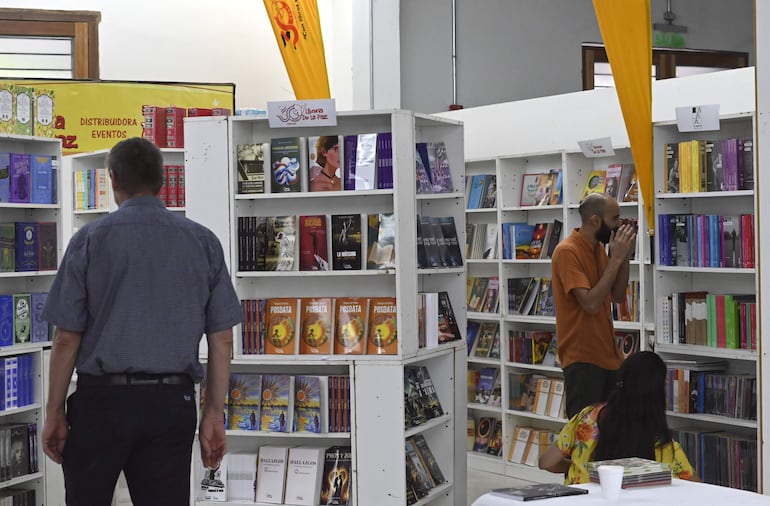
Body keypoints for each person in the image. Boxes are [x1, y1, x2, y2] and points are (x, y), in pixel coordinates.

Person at [41, 137, 242, 506]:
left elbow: (66, 338)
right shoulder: (203, 242)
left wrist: (54, 410)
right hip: (172, 402)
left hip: (100, 402)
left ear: (112, 180)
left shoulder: (88, 240)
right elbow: (221, 340)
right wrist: (213, 413)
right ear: (162, 181)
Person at [538, 351, 696, 484]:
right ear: (659, 393)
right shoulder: (663, 443)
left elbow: (546, 462)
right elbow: (696, 486)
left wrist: (577, 467)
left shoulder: (588, 417)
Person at [551, 192, 636, 418]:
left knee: (611, 437)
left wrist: (624, 256)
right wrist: (616, 259)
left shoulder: (599, 249)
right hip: (582, 361)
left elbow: (617, 296)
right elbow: (590, 303)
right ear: (595, 220)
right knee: (584, 438)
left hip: (608, 357)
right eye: (614, 219)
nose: (618, 225)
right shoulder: (567, 251)